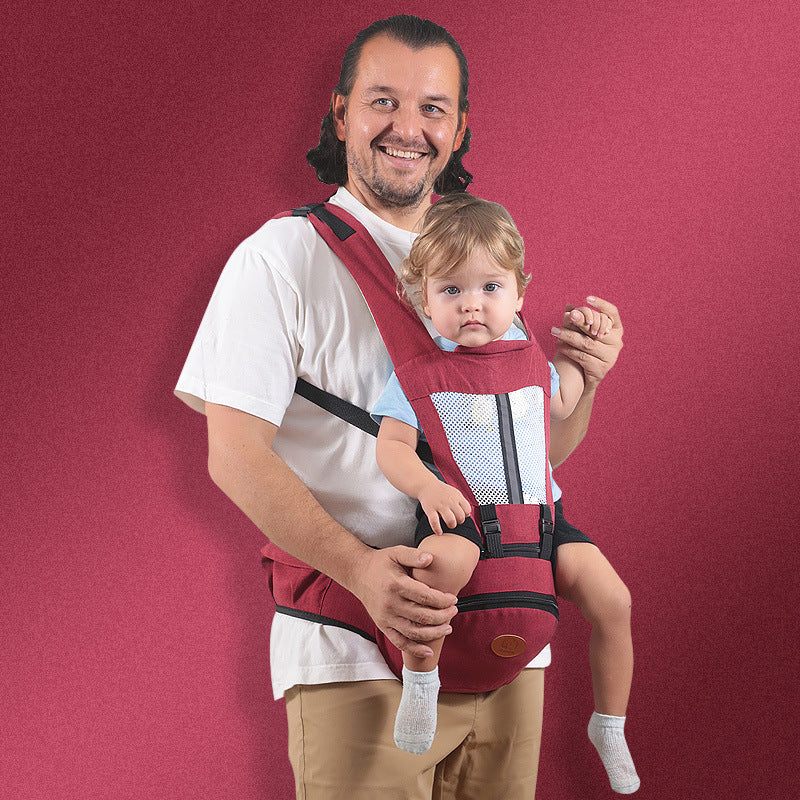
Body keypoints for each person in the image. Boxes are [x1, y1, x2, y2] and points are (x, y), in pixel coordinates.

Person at [175, 14, 624, 799]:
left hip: (513, 634)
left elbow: (525, 457)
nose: (407, 127)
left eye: (433, 108)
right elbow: (233, 455)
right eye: (383, 101)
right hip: (359, 645)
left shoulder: (482, 266)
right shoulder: (280, 259)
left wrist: (586, 379)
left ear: (457, 130)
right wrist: (364, 573)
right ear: (342, 113)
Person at [372, 193, 639, 793]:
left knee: (614, 600)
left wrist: (588, 350)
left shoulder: (530, 360)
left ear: (520, 293)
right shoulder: (417, 375)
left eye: (490, 287)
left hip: (543, 519)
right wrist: (426, 487)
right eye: (451, 291)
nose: (472, 304)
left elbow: (564, 404)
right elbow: (389, 447)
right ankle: (421, 687)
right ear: (422, 299)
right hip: (464, 512)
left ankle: (609, 723)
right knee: (443, 567)